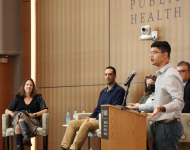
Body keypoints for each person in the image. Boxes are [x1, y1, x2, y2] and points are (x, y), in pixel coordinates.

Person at [127, 41, 184, 150]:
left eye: (154, 52)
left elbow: (179, 102)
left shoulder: (170, 75)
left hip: (168, 126)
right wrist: (139, 106)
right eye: (150, 53)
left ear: (165, 55)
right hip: (159, 126)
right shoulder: (161, 76)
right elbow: (158, 103)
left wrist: (163, 108)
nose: (151, 55)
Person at [60, 66, 125, 150]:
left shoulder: (120, 90)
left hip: (106, 120)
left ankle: (74, 148)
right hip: (97, 119)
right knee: (72, 123)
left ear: (115, 76)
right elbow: (98, 108)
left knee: (86, 125)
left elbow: (114, 110)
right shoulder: (103, 92)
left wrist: (96, 118)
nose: (107, 77)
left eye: (110, 74)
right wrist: (91, 118)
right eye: (105, 74)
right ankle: (64, 148)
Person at [5, 78, 48, 150]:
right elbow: (7, 110)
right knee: (18, 122)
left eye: (31, 85)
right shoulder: (18, 98)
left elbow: (45, 110)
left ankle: (26, 137)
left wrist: (34, 115)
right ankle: (26, 137)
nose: (29, 86)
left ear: (33, 87)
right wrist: (11, 113)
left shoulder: (38, 97)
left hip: (33, 121)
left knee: (20, 115)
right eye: (27, 84)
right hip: (20, 121)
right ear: (24, 86)